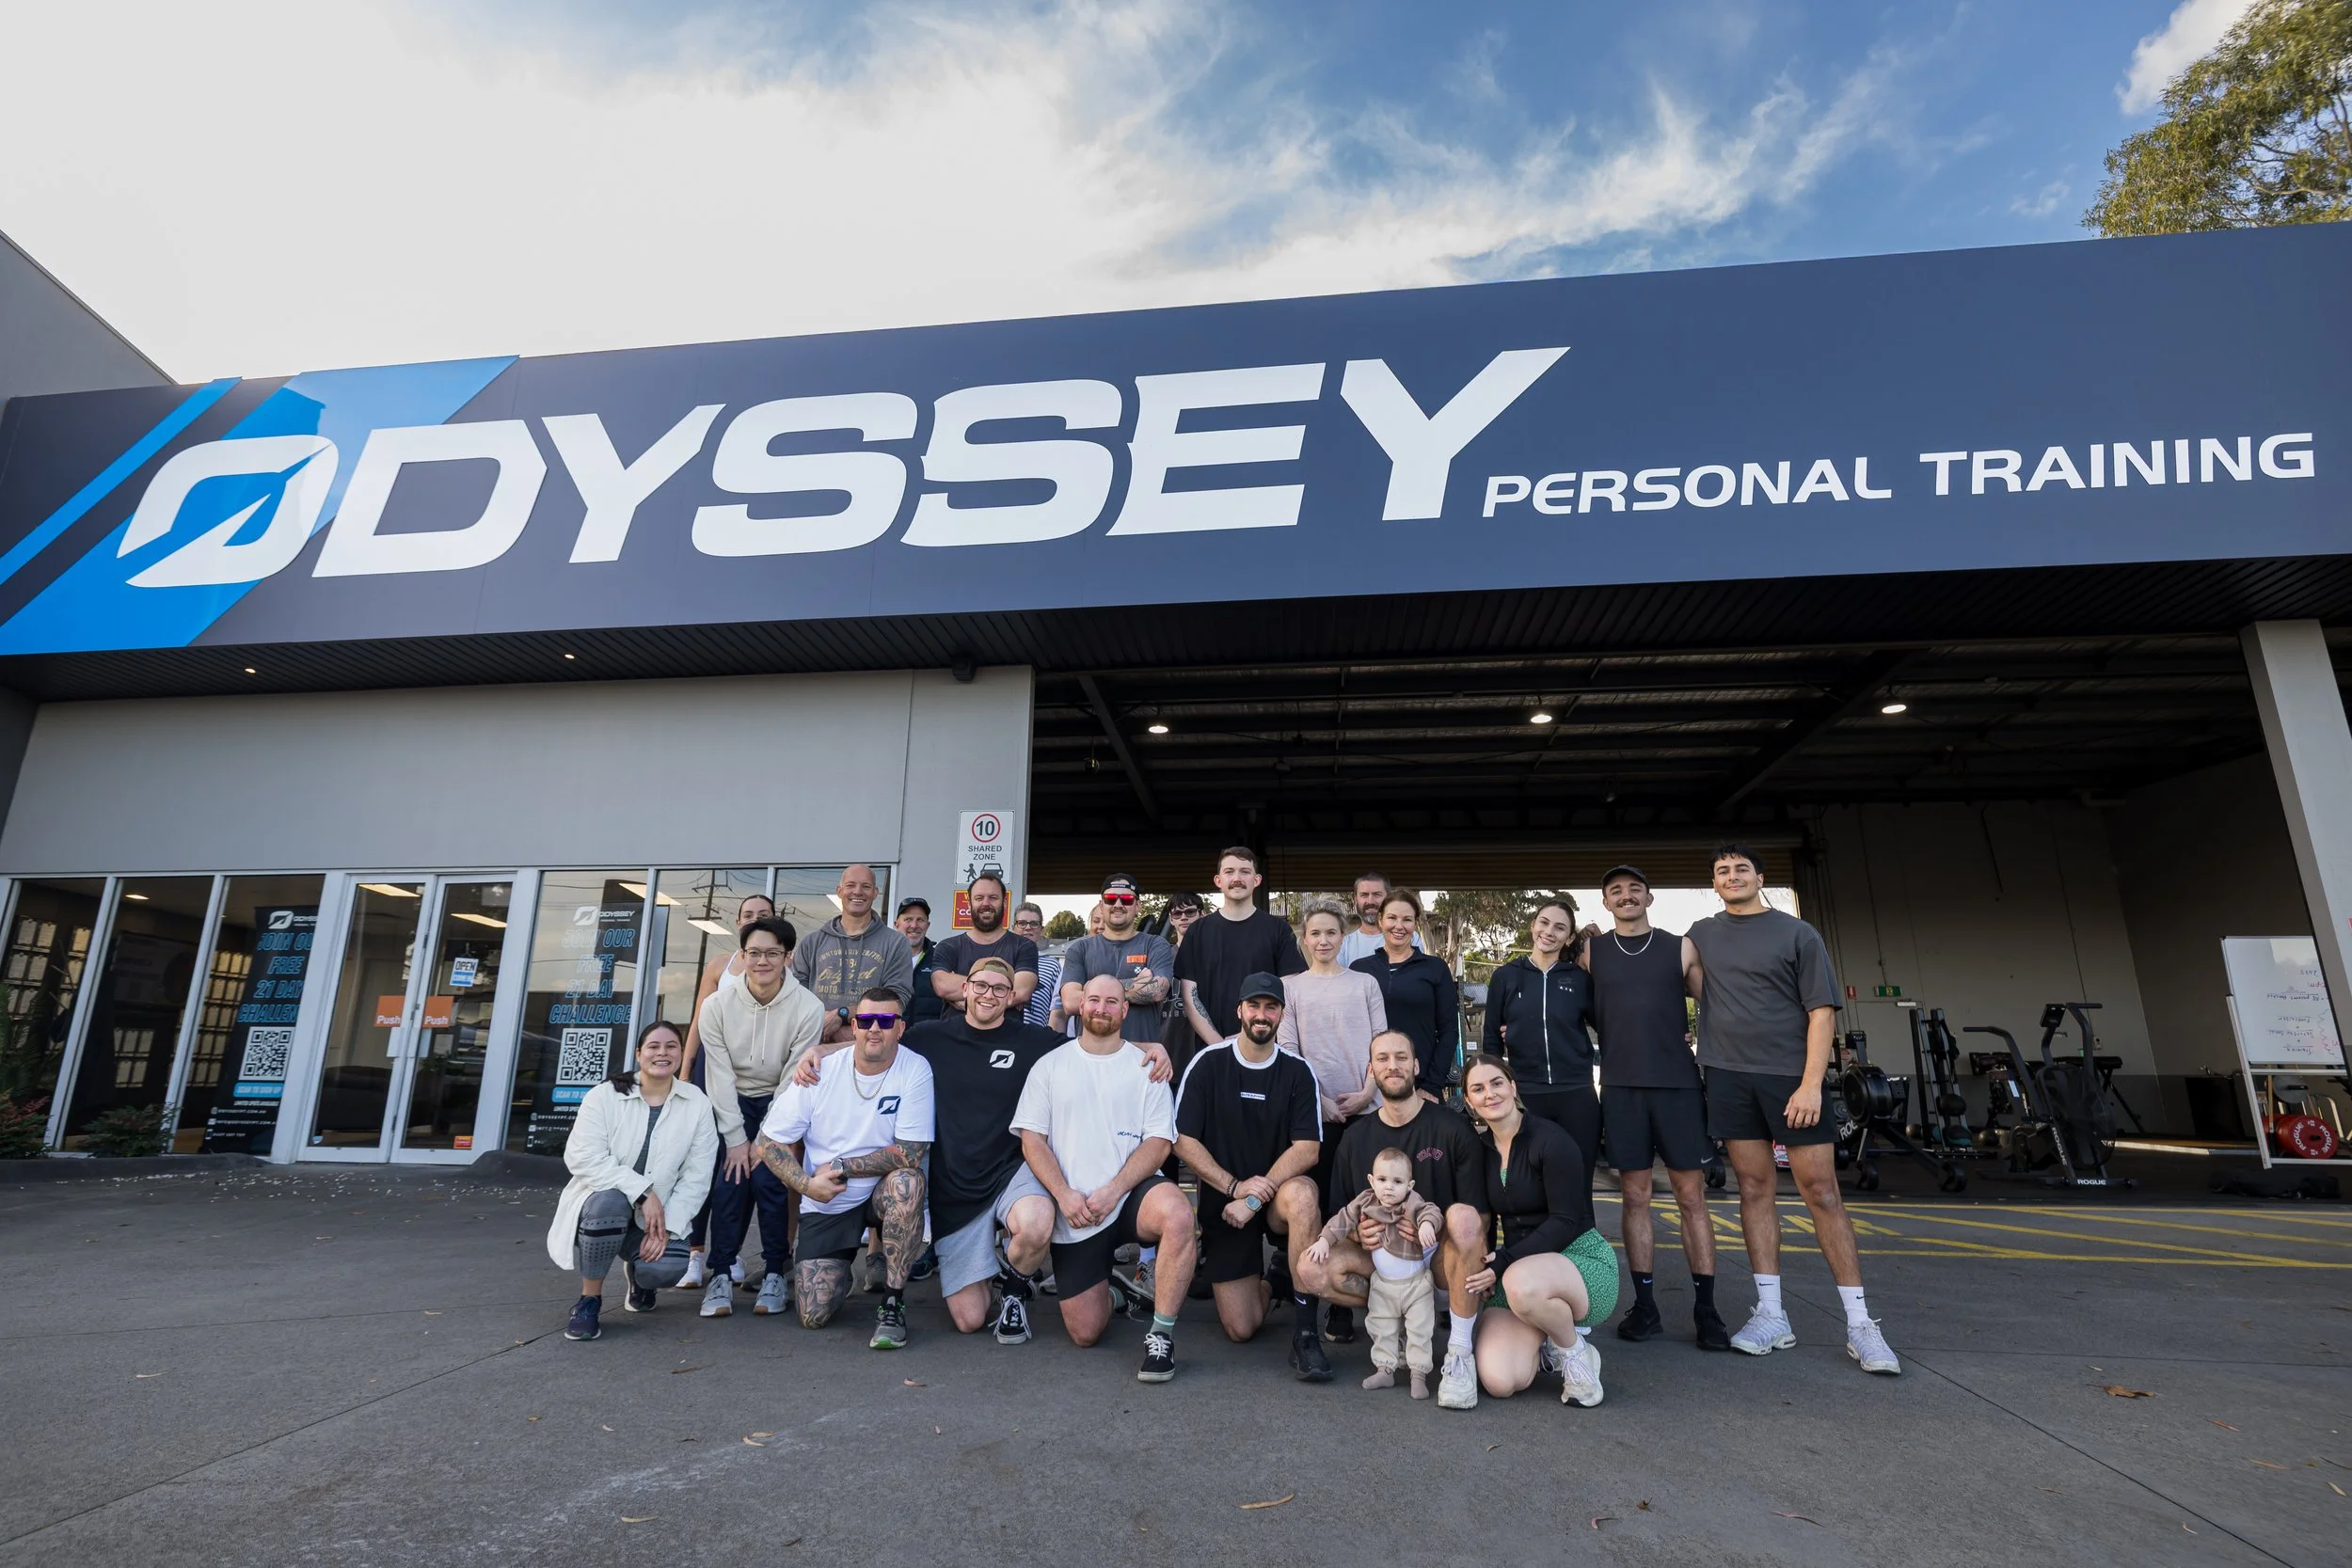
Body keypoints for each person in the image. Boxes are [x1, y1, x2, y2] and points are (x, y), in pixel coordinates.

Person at [1689, 844, 1899, 1374]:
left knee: (1821, 1192)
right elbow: (1661, 964)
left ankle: (1861, 1325)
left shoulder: (1798, 934)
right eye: (1722, 870)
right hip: (1728, 1077)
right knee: (1754, 1189)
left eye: (1741, 868)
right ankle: (1771, 1314)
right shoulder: (1702, 933)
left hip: (1790, 1078)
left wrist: (1810, 1085)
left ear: (1760, 877)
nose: (1732, 876)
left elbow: (1821, 1013)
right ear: (1714, 883)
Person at [888, 955, 1168, 1343]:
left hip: (1011, 1173)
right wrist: (819, 1052)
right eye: (981, 986)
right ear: (965, 990)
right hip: (953, 1184)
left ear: (1011, 997)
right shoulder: (928, 1037)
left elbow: (1096, 1041)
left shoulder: (1034, 1042)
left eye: (999, 989)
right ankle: (997, 1269)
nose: (988, 995)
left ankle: (1015, 1291)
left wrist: (1152, 1047)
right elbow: (873, 1046)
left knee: (1037, 1221)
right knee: (969, 1319)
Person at [1012, 974, 1198, 1382]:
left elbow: (1159, 1143)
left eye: (1111, 1001)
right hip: (1076, 1207)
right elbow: (1032, 1140)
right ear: (1080, 1005)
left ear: (1125, 1009)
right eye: (1093, 1000)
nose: (1101, 1008)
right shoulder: (1051, 1066)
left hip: (1129, 1194)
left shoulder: (1146, 1066)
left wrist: (1115, 1190)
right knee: (1085, 1333)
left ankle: (1161, 1335)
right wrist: (1063, 1195)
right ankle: (1114, 1291)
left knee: (1178, 1214)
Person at [1300, 1030, 1490, 1410]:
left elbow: (1479, 1217)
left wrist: (1436, 1232)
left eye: (1402, 1058)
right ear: (1371, 1071)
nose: (1393, 1066)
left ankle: (1459, 1351)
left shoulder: (1452, 1128)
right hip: (1385, 1267)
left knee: (1462, 1216)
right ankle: (1396, 1322)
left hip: (1440, 1263)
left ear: (1416, 1066)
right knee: (1311, 1269)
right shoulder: (1355, 1138)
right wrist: (1360, 1233)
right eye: (1383, 1059)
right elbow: (1340, 1213)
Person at [1581, 864, 1724, 1350]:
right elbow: (1562, 1003)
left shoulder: (1680, 947)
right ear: (1606, 902)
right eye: (1616, 890)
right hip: (1621, 1089)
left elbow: (1719, 1008)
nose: (1626, 896)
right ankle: (1645, 1307)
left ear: (1649, 897)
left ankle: (1707, 1310)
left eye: (1634, 889)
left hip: (1678, 1087)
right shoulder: (1591, 952)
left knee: (1692, 1198)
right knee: (1635, 1198)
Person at [1172, 972, 1332, 1381]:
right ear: (1239, 1011)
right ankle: (1277, 1280)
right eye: (1255, 1006)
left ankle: (1306, 1334)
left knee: (1304, 1195)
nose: (1262, 1015)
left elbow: (1307, 1149)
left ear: (1281, 1015)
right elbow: (1182, 1140)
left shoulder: (1298, 1071)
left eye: (1271, 1007)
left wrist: (1255, 1197)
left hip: (1275, 1198)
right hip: (1226, 1202)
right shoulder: (1209, 1063)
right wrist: (1234, 1187)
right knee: (1241, 1328)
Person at [753, 988, 934, 1348]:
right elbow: (768, 1143)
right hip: (828, 1199)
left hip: (880, 1192)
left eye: (885, 1021)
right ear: (854, 1027)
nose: (874, 1028)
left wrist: (840, 1166)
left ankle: (893, 1303)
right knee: (813, 1315)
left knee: (908, 1183)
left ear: (900, 1028)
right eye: (866, 1020)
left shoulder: (915, 1068)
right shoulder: (819, 1071)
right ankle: (841, 1270)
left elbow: (911, 1153)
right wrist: (807, 1186)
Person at [1459, 1053, 1616, 1407]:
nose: (1490, 1094)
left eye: (1497, 1083)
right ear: (1469, 1101)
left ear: (1513, 1087)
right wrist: (1484, 1267)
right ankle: (1545, 1335)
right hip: (1518, 1270)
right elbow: (1484, 1220)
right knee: (1500, 1380)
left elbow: (1566, 1221)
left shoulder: (1551, 1140)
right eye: (1479, 1089)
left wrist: (1503, 1263)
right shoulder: (1480, 1150)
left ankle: (1575, 1354)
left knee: (1521, 1282)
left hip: (1577, 1261)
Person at [550, 1021, 719, 1341]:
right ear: (639, 1054)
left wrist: (668, 1227)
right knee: (610, 1202)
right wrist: (642, 1193)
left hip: (659, 1215)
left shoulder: (697, 1102)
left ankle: (641, 1277)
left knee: (665, 1269)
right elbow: (581, 1156)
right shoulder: (604, 1096)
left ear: (681, 1054)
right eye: (654, 1047)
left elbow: (697, 1175)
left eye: (671, 1046)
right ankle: (589, 1300)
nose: (662, 1053)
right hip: (601, 1208)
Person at [696, 915, 825, 1321]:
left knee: (771, 1182)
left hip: (780, 1102)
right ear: (742, 955)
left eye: (772, 953)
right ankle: (720, 1273)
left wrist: (766, 1138)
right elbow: (717, 1075)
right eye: (754, 953)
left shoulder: (808, 1007)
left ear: (787, 957)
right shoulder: (717, 1006)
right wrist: (737, 1140)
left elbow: (792, 1077)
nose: (762, 961)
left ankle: (773, 1272)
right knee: (730, 1181)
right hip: (730, 1101)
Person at [1275, 899, 1385, 1345]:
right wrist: (1317, 1100)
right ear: (1305, 939)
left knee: (1360, 1205)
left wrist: (1367, 1092)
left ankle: (1347, 1303)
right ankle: (1315, 1295)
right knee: (1320, 1207)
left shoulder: (1365, 983)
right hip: (1315, 1113)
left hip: (1365, 1110)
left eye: (1331, 933)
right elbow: (1288, 1048)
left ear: (1344, 937)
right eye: (1315, 933)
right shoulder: (1290, 987)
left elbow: (1381, 1043)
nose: (1323, 941)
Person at [678, 890, 773, 1289]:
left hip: (752, 1079)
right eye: (748, 914)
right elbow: (697, 1022)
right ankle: (694, 1253)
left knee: (739, 1167)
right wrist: (685, 1073)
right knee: (703, 1161)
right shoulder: (720, 965)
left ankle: (729, 1253)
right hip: (709, 1071)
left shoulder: (780, 969)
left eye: (763, 914)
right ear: (737, 922)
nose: (755, 919)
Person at [1482, 898, 1601, 1194]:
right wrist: (1494, 1092)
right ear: (1533, 925)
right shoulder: (1505, 976)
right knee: (1529, 1184)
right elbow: (1491, 1041)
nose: (1549, 932)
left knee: (1578, 1182)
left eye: (1560, 928)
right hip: (1527, 1094)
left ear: (1569, 938)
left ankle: (1581, 1226)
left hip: (1576, 1093)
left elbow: (1610, 1027)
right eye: (1544, 923)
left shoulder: (1580, 980)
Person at [1306, 1148, 1440, 1394]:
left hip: (1416, 1285)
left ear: (1409, 1185)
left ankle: (1418, 1375)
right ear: (1371, 1181)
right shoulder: (1365, 1202)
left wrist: (1427, 1225)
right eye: (1382, 1180)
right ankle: (1384, 1370)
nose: (1389, 1187)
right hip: (1383, 1284)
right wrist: (1324, 1240)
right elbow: (1343, 1219)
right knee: (1381, 1327)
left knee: (1419, 1330)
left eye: (1397, 1182)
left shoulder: (1411, 1202)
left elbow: (1430, 1210)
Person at [1174, 847, 1306, 1073]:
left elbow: (1289, 992)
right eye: (1229, 872)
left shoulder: (1278, 930)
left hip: (1265, 1052)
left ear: (1257, 880)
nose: (1237, 878)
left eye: (1245, 871)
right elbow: (1189, 997)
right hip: (1211, 1055)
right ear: (1218, 880)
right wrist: (1221, 1046)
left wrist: (1251, 1039)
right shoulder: (1197, 932)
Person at [1351, 890, 1457, 1101]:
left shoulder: (1435, 968)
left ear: (1415, 924)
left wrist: (1432, 1086)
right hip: (1370, 1089)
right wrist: (1363, 1090)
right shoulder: (1359, 970)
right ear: (1380, 920)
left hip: (1420, 1087)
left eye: (1407, 919)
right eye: (1392, 918)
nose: (1399, 926)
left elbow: (1449, 1031)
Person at [795, 864, 916, 1044]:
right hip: (815, 1042)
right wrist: (822, 1023)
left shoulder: (896, 943)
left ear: (875, 893)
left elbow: (896, 997)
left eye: (866, 886)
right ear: (839, 890)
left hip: (870, 1045)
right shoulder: (811, 942)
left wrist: (842, 1015)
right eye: (850, 885)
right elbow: (796, 994)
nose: (858, 892)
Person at [1059, 874, 1176, 1046]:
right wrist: (1135, 985)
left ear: (1137, 906)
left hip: (1142, 1053)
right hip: (1092, 1055)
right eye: (1111, 899)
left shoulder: (1155, 945)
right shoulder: (1079, 949)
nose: (1118, 905)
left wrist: (1092, 990)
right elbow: (1070, 1002)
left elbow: (1158, 990)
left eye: (1127, 900)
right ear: (1102, 905)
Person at [933, 873, 1040, 1015]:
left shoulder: (1024, 947)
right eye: (979, 898)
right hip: (953, 1029)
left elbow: (1021, 991)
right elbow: (942, 986)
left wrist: (966, 998)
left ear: (1005, 902)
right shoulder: (948, 947)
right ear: (969, 903)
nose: (986, 904)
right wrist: (1003, 989)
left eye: (993, 898)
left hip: (1006, 1030)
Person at [1337, 871, 1421, 968]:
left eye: (1377, 895)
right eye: (1364, 895)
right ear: (1355, 900)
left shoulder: (1409, 937)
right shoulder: (1344, 944)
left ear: (1388, 898)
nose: (1370, 901)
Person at [897, 896, 946, 1025]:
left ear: (927, 925)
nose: (914, 925)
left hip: (930, 1036)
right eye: (908, 919)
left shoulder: (941, 960)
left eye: (920, 920)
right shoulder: (885, 959)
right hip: (892, 1036)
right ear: (897, 925)